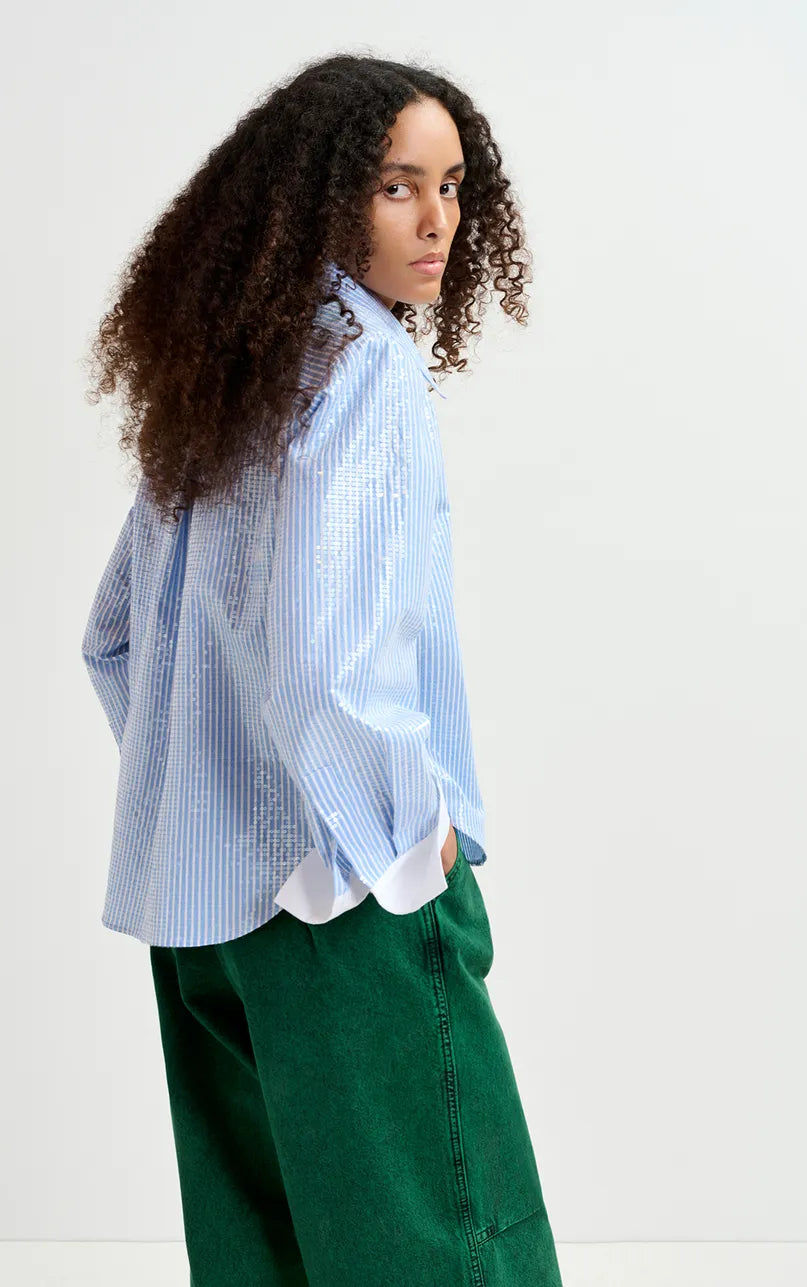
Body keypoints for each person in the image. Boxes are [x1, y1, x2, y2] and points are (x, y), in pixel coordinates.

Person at [81, 52, 563, 1287]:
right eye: (397, 185)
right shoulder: (365, 368)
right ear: (322, 194)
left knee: (264, 1255)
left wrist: (205, 796)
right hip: (355, 895)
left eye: (452, 185)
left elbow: (118, 636)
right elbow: (321, 665)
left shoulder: (226, 376)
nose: (438, 219)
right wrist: (412, 834)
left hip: (202, 917)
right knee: (450, 1247)